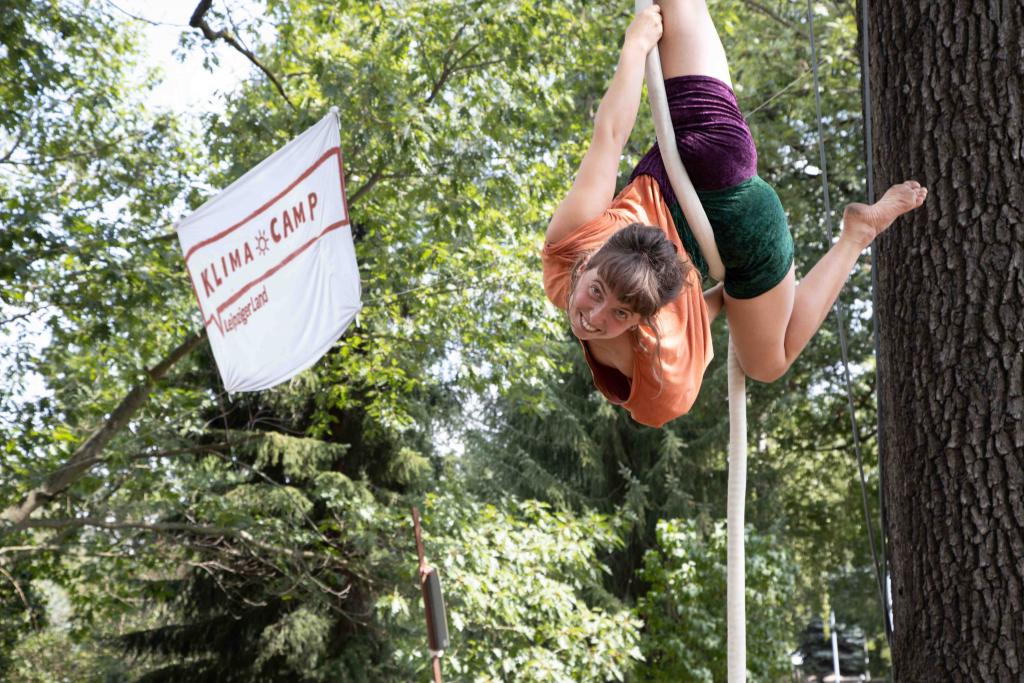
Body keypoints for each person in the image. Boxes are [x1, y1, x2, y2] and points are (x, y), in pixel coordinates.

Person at [541, 0, 927, 428]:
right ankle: (857, 234)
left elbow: (610, 137)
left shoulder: (568, 251)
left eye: (597, 293)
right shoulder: (659, 375)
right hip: (741, 228)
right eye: (618, 313)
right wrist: (740, 300)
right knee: (767, 363)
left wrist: (635, 45)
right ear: (641, 317)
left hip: (700, 162)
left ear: (589, 264)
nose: (593, 318)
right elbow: (689, 318)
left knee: (767, 361)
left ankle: (856, 235)